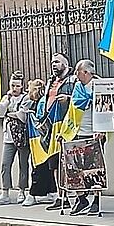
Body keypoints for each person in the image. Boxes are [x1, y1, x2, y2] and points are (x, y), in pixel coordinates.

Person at [67, 59, 103, 216]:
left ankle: (96, 201)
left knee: (95, 169)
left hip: (95, 132)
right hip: (79, 131)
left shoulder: (100, 86)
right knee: (75, 167)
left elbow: (107, 110)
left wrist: (102, 130)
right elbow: (73, 108)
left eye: (78, 72)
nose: (76, 75)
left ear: (87, 73)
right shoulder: (77, 87)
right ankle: (81, 198)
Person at [43, 54, 76, 211]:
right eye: (52, 62)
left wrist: (68, 98)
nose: (53, 65)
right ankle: (61, 196)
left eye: (57, 62)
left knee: (69, 163)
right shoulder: (51, 81)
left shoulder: (73, 80)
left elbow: (81, 99)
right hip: (52, 126)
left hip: (67, 126)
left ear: (66, 64)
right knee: (55, 163)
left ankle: (74, 196)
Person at [0, 72, 31, 206]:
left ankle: (22, 190)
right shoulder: (6, 98)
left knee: (23, 164)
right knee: (5, 164)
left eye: (17, 86)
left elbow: (22, 115)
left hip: (22, 136)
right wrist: (7, 101)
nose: (14, 88)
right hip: (8, 137)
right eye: (12, 85)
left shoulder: (26, 98)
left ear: (22, 86)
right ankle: (5, 192)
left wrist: (11, 114)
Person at [25, 78, 53, 206]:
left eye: (29, 89)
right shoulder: (38, 102)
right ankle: (49, 192)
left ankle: (33, 194)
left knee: (38, 167)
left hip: (39, 140)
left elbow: (40, 119)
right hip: (41, 140)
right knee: (45, 167)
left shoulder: (40, 102)